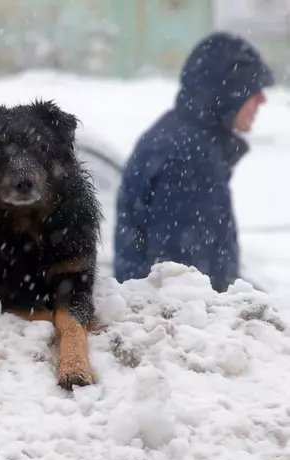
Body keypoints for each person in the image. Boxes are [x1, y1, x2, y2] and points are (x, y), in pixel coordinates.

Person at [113, 31, 274, 292]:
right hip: (186, 329)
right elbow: (186, 286)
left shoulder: (182, 138)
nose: (262, 99)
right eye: (253, 89)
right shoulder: (188, 159)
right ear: (228, 92)